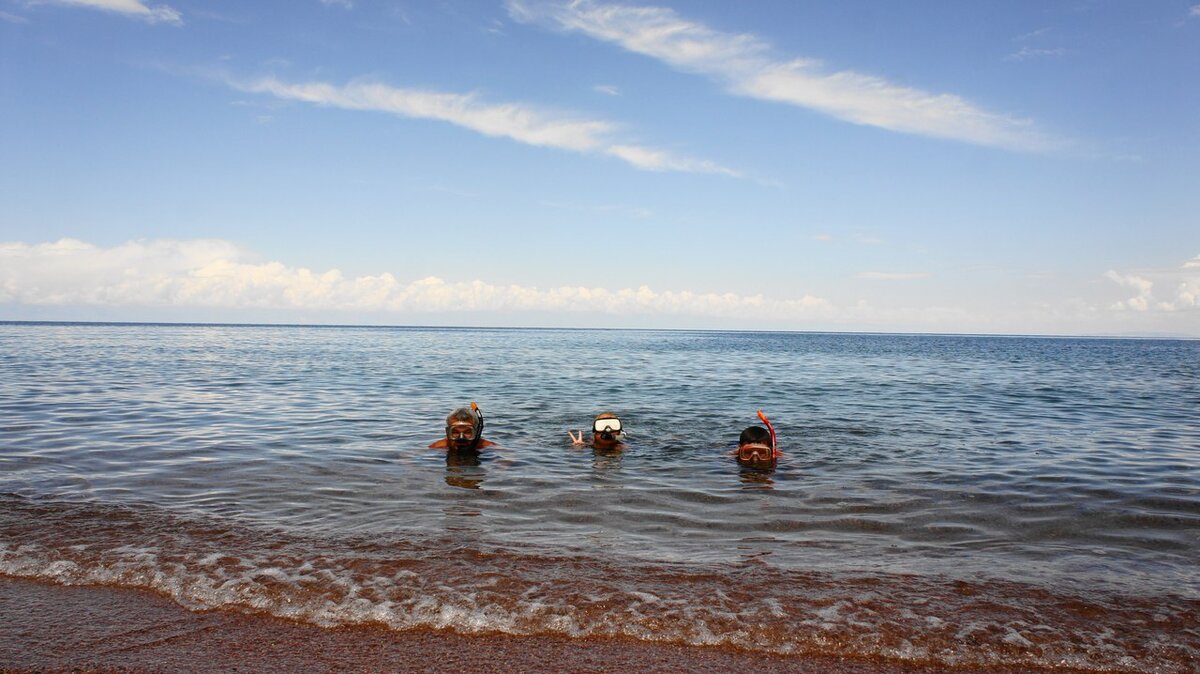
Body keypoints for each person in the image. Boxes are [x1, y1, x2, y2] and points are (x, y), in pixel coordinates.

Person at [429, 403, 496, 452]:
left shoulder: (487, 446)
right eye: (455, 432)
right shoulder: (437, 447)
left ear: (477, 432)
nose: (461, 438)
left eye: (468, 432)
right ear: (447, 432)